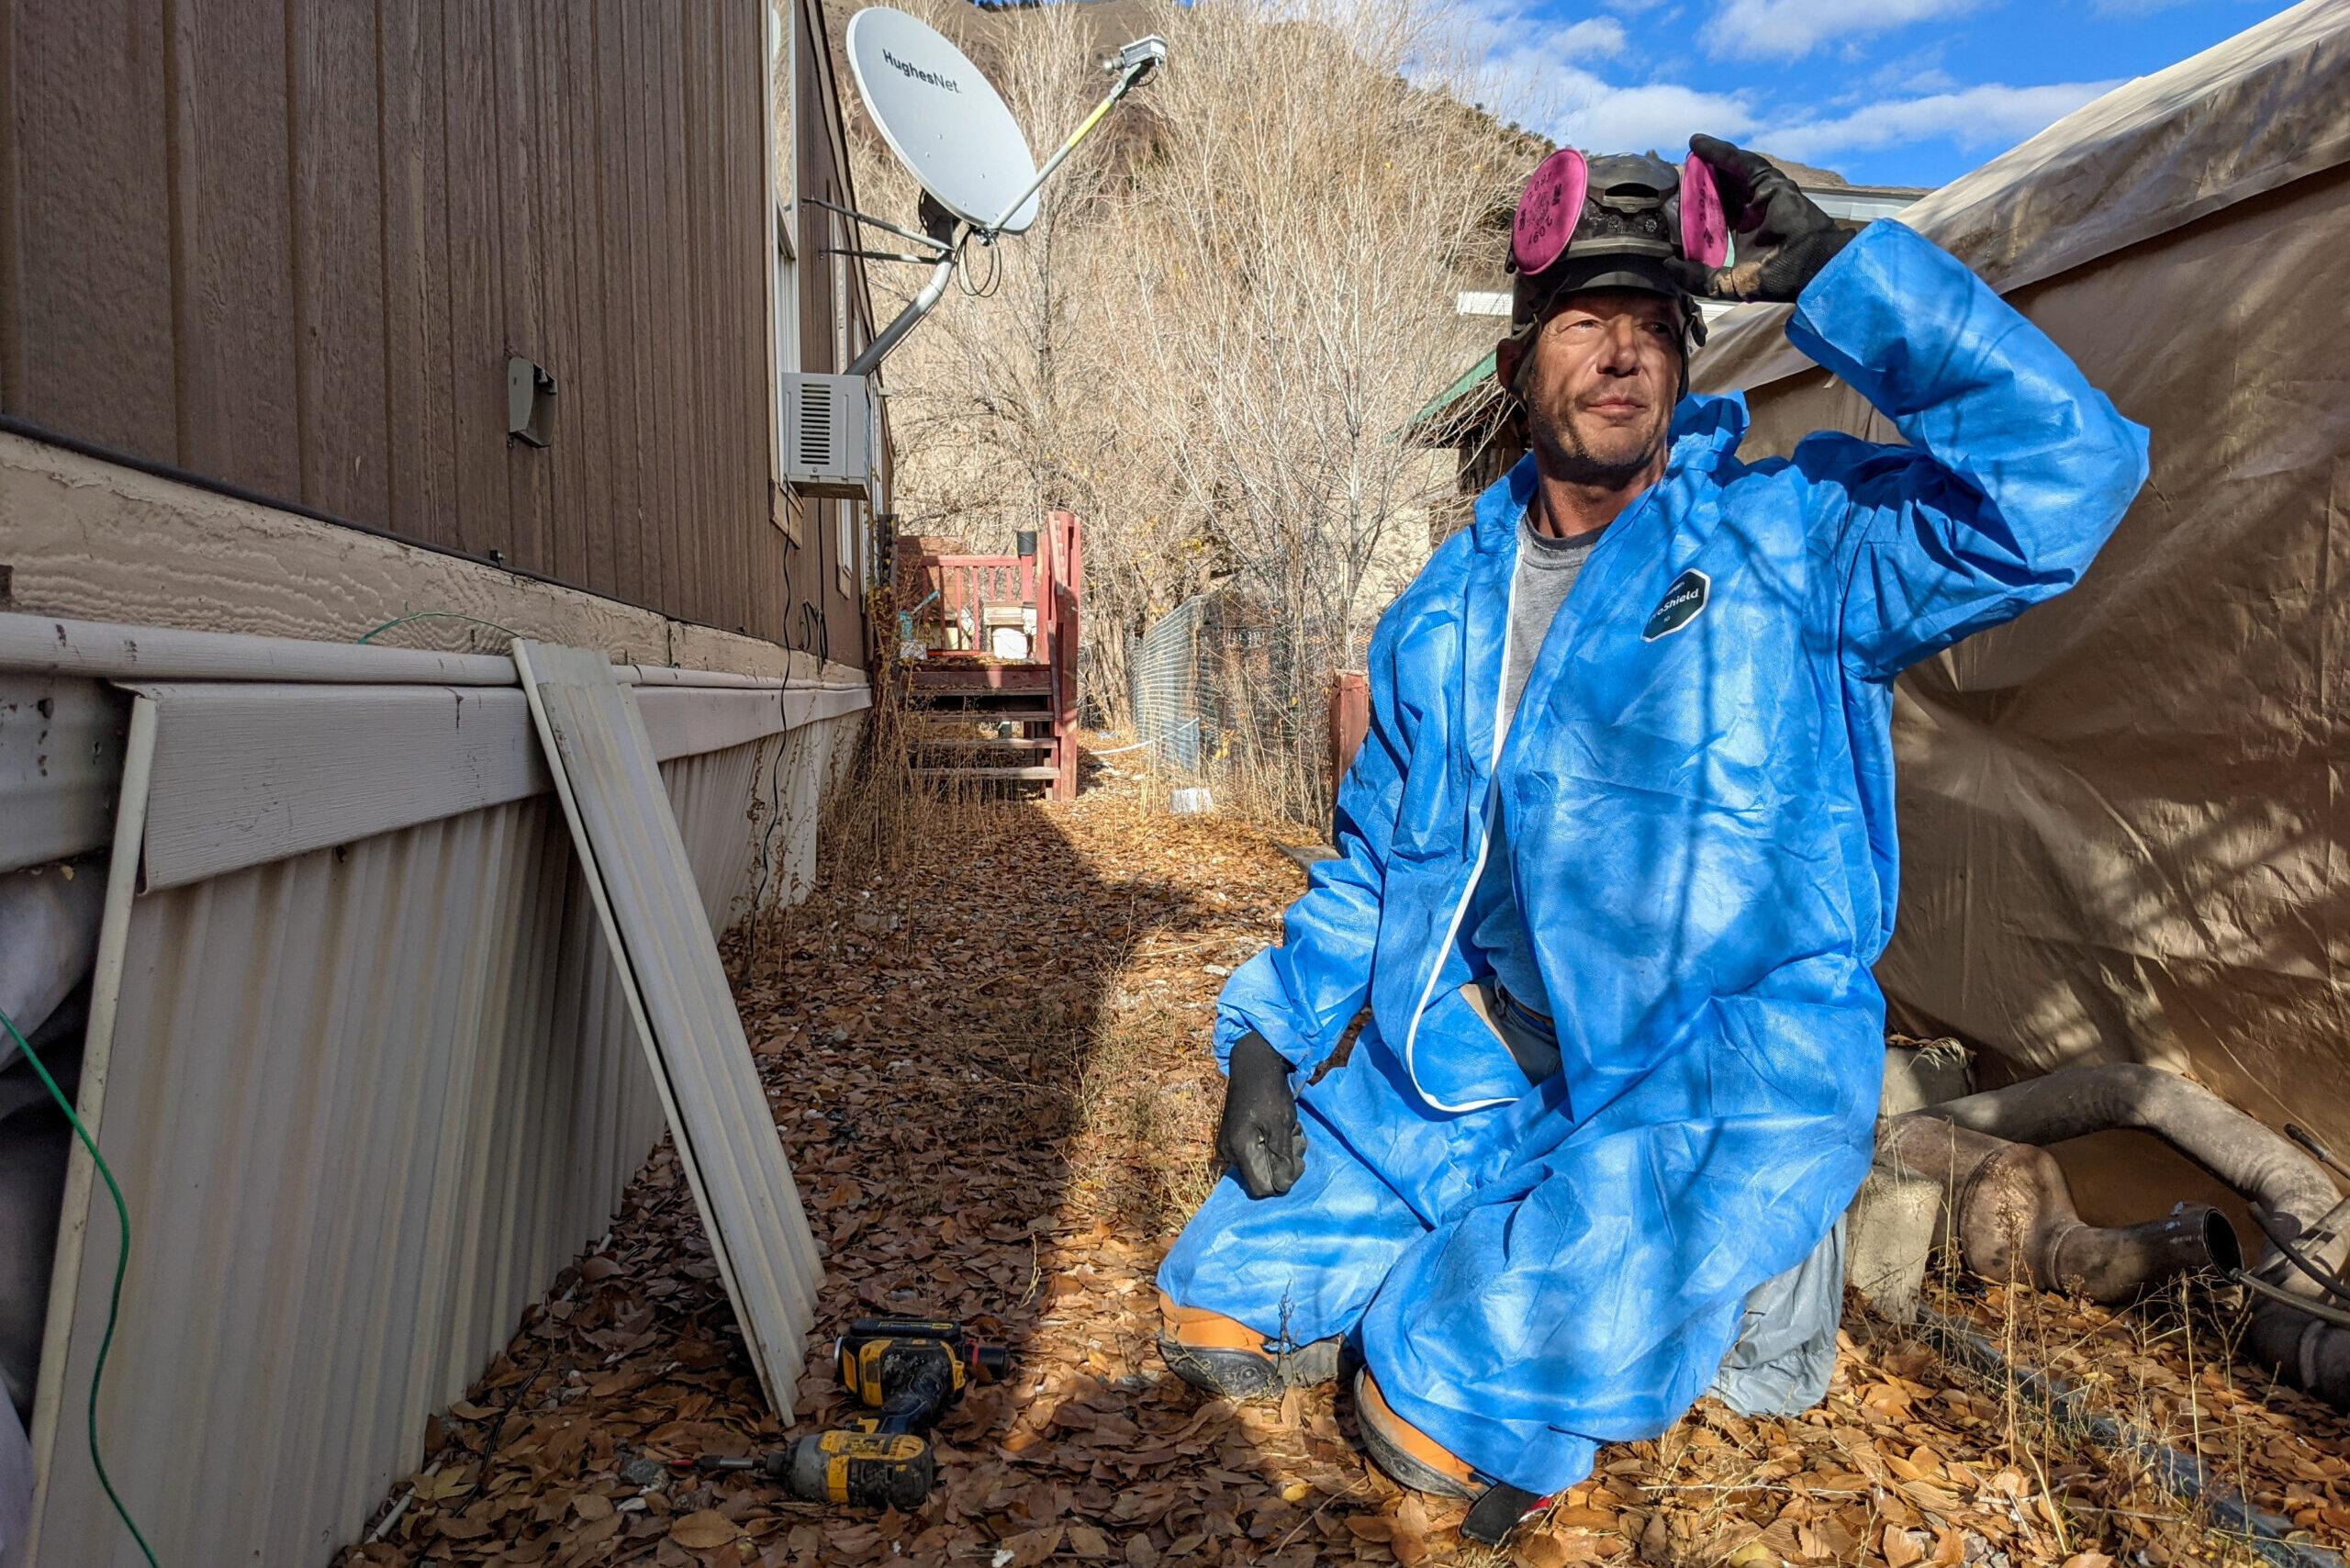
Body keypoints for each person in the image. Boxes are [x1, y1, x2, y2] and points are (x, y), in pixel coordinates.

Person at [1151, 135, 2150, 1541]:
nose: (1621, 355)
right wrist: (1264, 1036)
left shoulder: (1787, 542)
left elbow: (2069, 483)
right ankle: (1500, 1234)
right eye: (1583, 323)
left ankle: (1608, 1293)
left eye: (1652, 330)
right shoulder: (1444, 612)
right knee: (1215, 1297)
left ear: (1687, 366)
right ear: (1518, 370)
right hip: (1484, 1057)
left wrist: (1849, 279)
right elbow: (1376, 862)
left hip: (1714, 1073)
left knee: (1426, 1406)